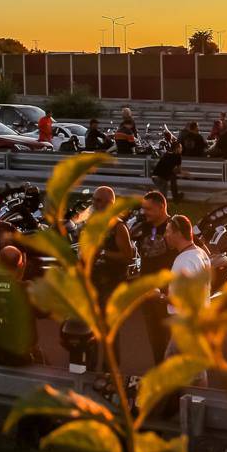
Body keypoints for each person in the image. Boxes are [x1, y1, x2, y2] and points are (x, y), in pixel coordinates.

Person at [135, 191, 177, 366]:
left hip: (166, 295)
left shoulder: (175, 227)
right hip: (147, 294)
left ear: (161, 207)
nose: (144, 212)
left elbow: (195, 249)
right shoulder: (143, 227)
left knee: (170, 340)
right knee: (155, 340)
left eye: (148, 209)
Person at [83, 186, 136, 311]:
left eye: (98, 200)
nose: (94, 203)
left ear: (109, 204)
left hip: (112, 283)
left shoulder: (118, 227)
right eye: (93, 199)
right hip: (95, 280)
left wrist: (102, 252)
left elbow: (128, 257)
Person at [152, 133, 185, 201]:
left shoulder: (167, 154)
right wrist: (186, 174)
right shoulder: (177, 156)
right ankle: (174, 198)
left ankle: (175, 197)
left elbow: (168, 167)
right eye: (180, 148)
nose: (181, 149)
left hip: (155, 176)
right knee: (163, 197)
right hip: (161, 178)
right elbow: (179, 170)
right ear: (177, 148)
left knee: (163, 195)